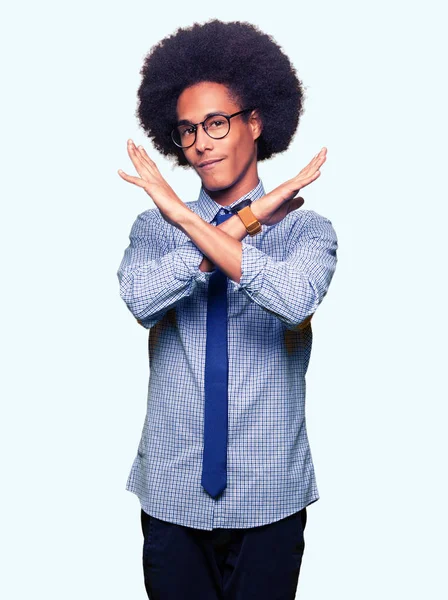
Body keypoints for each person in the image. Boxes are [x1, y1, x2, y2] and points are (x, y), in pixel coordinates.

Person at [116, 19, 338, 600]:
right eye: (187, 131)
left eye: (216, 123)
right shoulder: (151, 229)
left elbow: (293, 303)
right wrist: (237, 224)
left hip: (269, 497)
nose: (201, 143)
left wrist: (189, 218)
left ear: (256, 122)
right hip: (171, 494)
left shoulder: (307, 232)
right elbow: (140, 301)